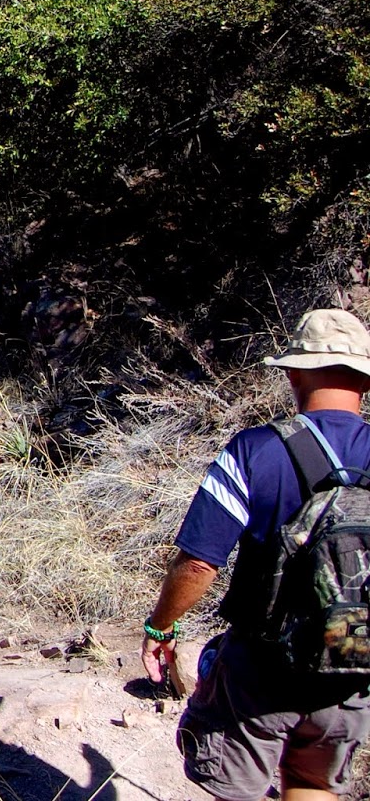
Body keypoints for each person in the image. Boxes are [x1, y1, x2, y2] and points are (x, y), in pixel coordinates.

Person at [142, 308, 370, 801]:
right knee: (312, 784)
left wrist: (161, 627)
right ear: (365, 384)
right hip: (352, 662)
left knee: (235, 788)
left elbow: (200, 562)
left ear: (292, 372)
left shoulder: (253, 450)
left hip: (262, 665)